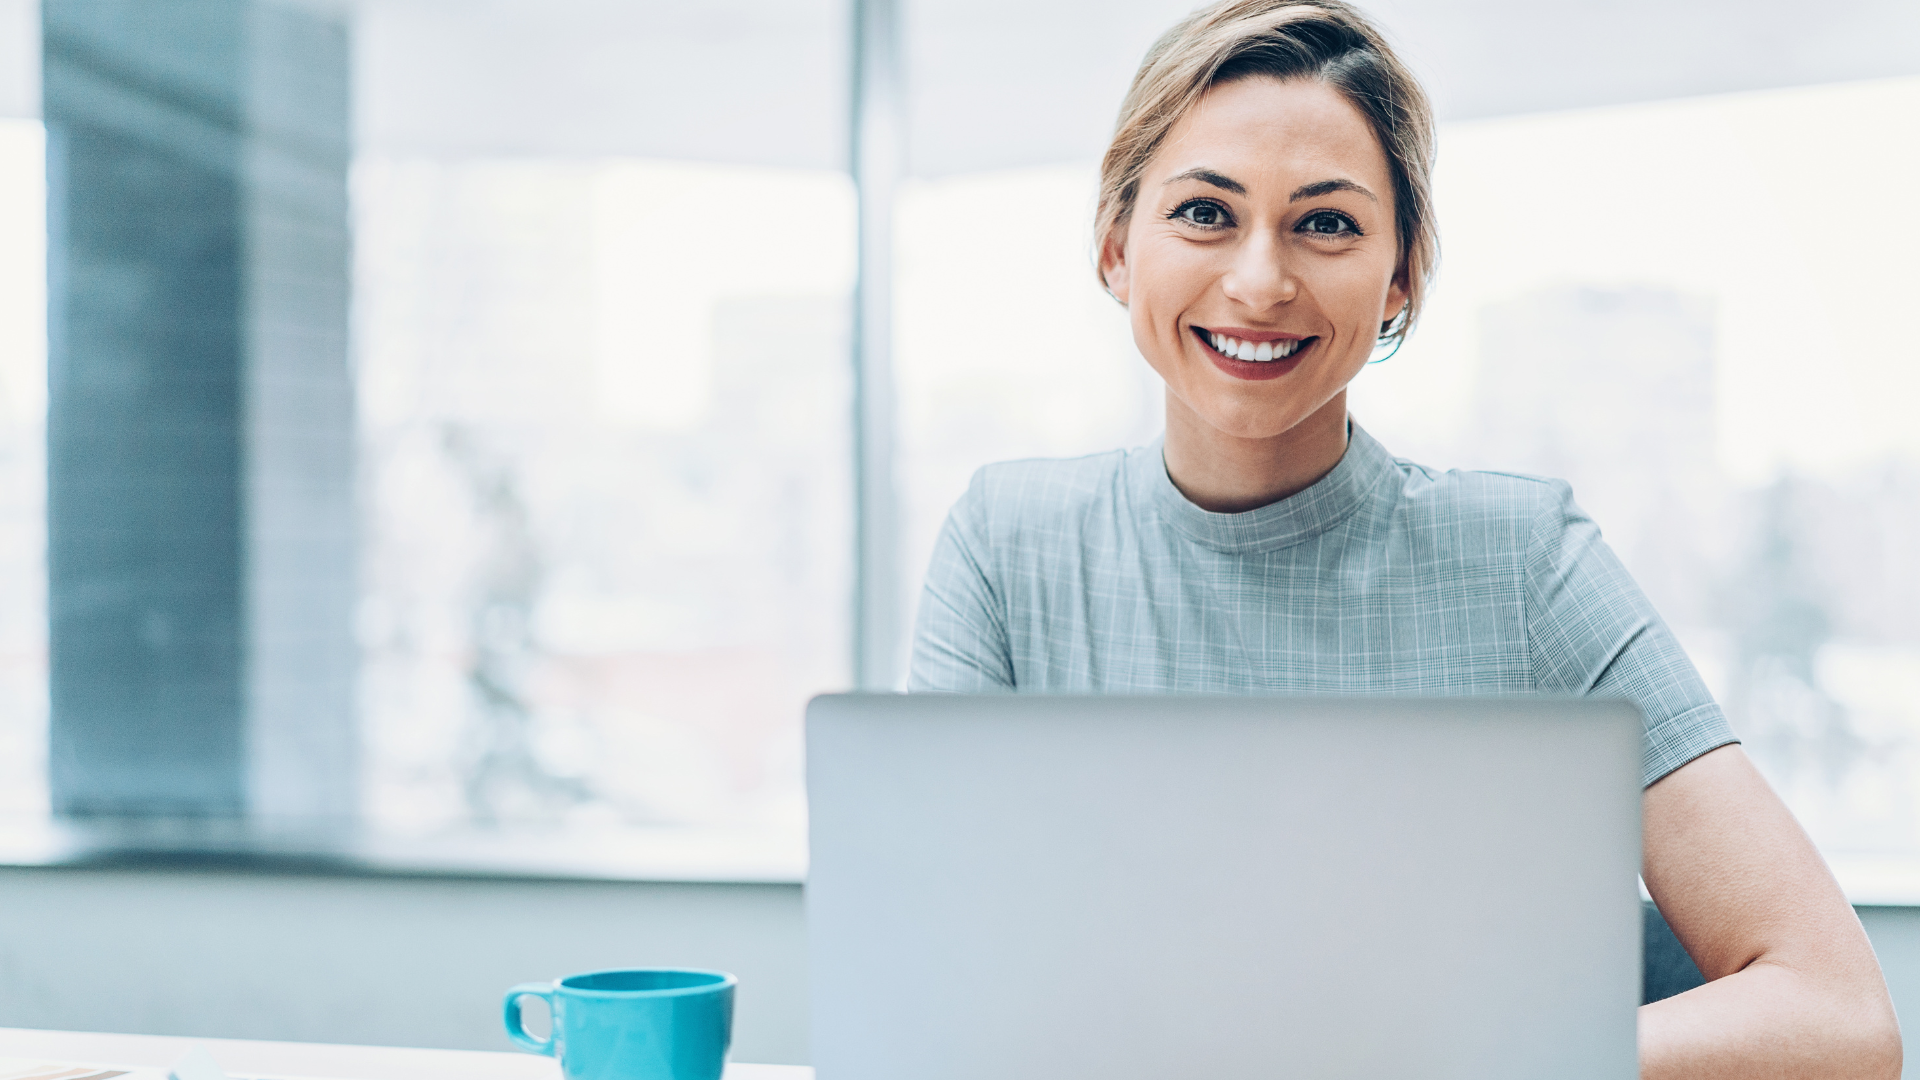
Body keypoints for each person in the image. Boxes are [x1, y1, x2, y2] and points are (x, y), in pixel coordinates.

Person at [906, 1, 1902, 1075]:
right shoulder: (1006, 549)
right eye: (1203, 212)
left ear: (1402, 277)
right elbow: (933, 997)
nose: (1259, 280)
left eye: (1326, 223)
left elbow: (1839, 1017)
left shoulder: (1525, 563)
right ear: (1115, 250)